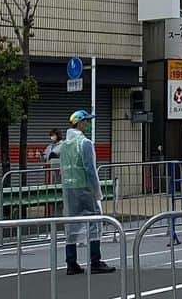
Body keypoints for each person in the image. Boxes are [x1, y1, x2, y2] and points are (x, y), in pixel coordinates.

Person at [59, 110, 115, 275]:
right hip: (84, 188)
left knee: (71, 224)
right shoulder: (84, 143)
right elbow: (90, 170)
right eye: (86, 121)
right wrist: (97, 192)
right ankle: (95, 261)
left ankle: (71, 263)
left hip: (69, 189)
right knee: (94, 222)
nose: (88, 124)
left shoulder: (64, 145)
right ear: (80, 123)